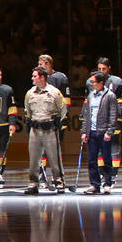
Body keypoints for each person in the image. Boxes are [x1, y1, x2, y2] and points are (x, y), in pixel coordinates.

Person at [23, 67, 67, 195]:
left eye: (34, 76)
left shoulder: (54, 92)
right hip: (35, 130)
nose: (32, 78)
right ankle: (33, 184)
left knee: (54, 158)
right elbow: (27, 110)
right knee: (33, 159)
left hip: (50, 129)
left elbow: (62, 109)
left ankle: (59, 182)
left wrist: (56, 122)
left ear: (42, 77)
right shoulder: (30, 93)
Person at [81, 72, 119, 194]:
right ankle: (95, 184)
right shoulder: (91, 95)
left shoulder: (110, 96)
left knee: (107, 159)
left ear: (101, 83)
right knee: (92, 160)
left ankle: (107, 183)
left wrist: (109, 131)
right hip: (91, 132)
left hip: (104, 132)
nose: (91, 84)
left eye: (93, 82)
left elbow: (113, 115)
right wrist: (84, 131)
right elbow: (87, 115)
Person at [37, 54, 71, 184]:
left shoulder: (61, 78)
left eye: (41, 64)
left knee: (55, 148)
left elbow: (66, 100)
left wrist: (64, 117)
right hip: (42, 118)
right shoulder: (39, 78)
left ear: (48, 63)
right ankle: (42, 174)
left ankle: (58, 175)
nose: (39, 66)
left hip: (56, 118)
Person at [96, 57, 122, 181]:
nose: (101, 71)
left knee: (114, 145)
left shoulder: (118, 82)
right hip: (98, 120)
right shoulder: (91, 81)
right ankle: (102, 173)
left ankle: (113, 175)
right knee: (99, 147)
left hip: (113, 119)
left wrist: (116, 119)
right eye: (99, 69)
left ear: (109, 68)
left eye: (104, 68)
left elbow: (121, 103)